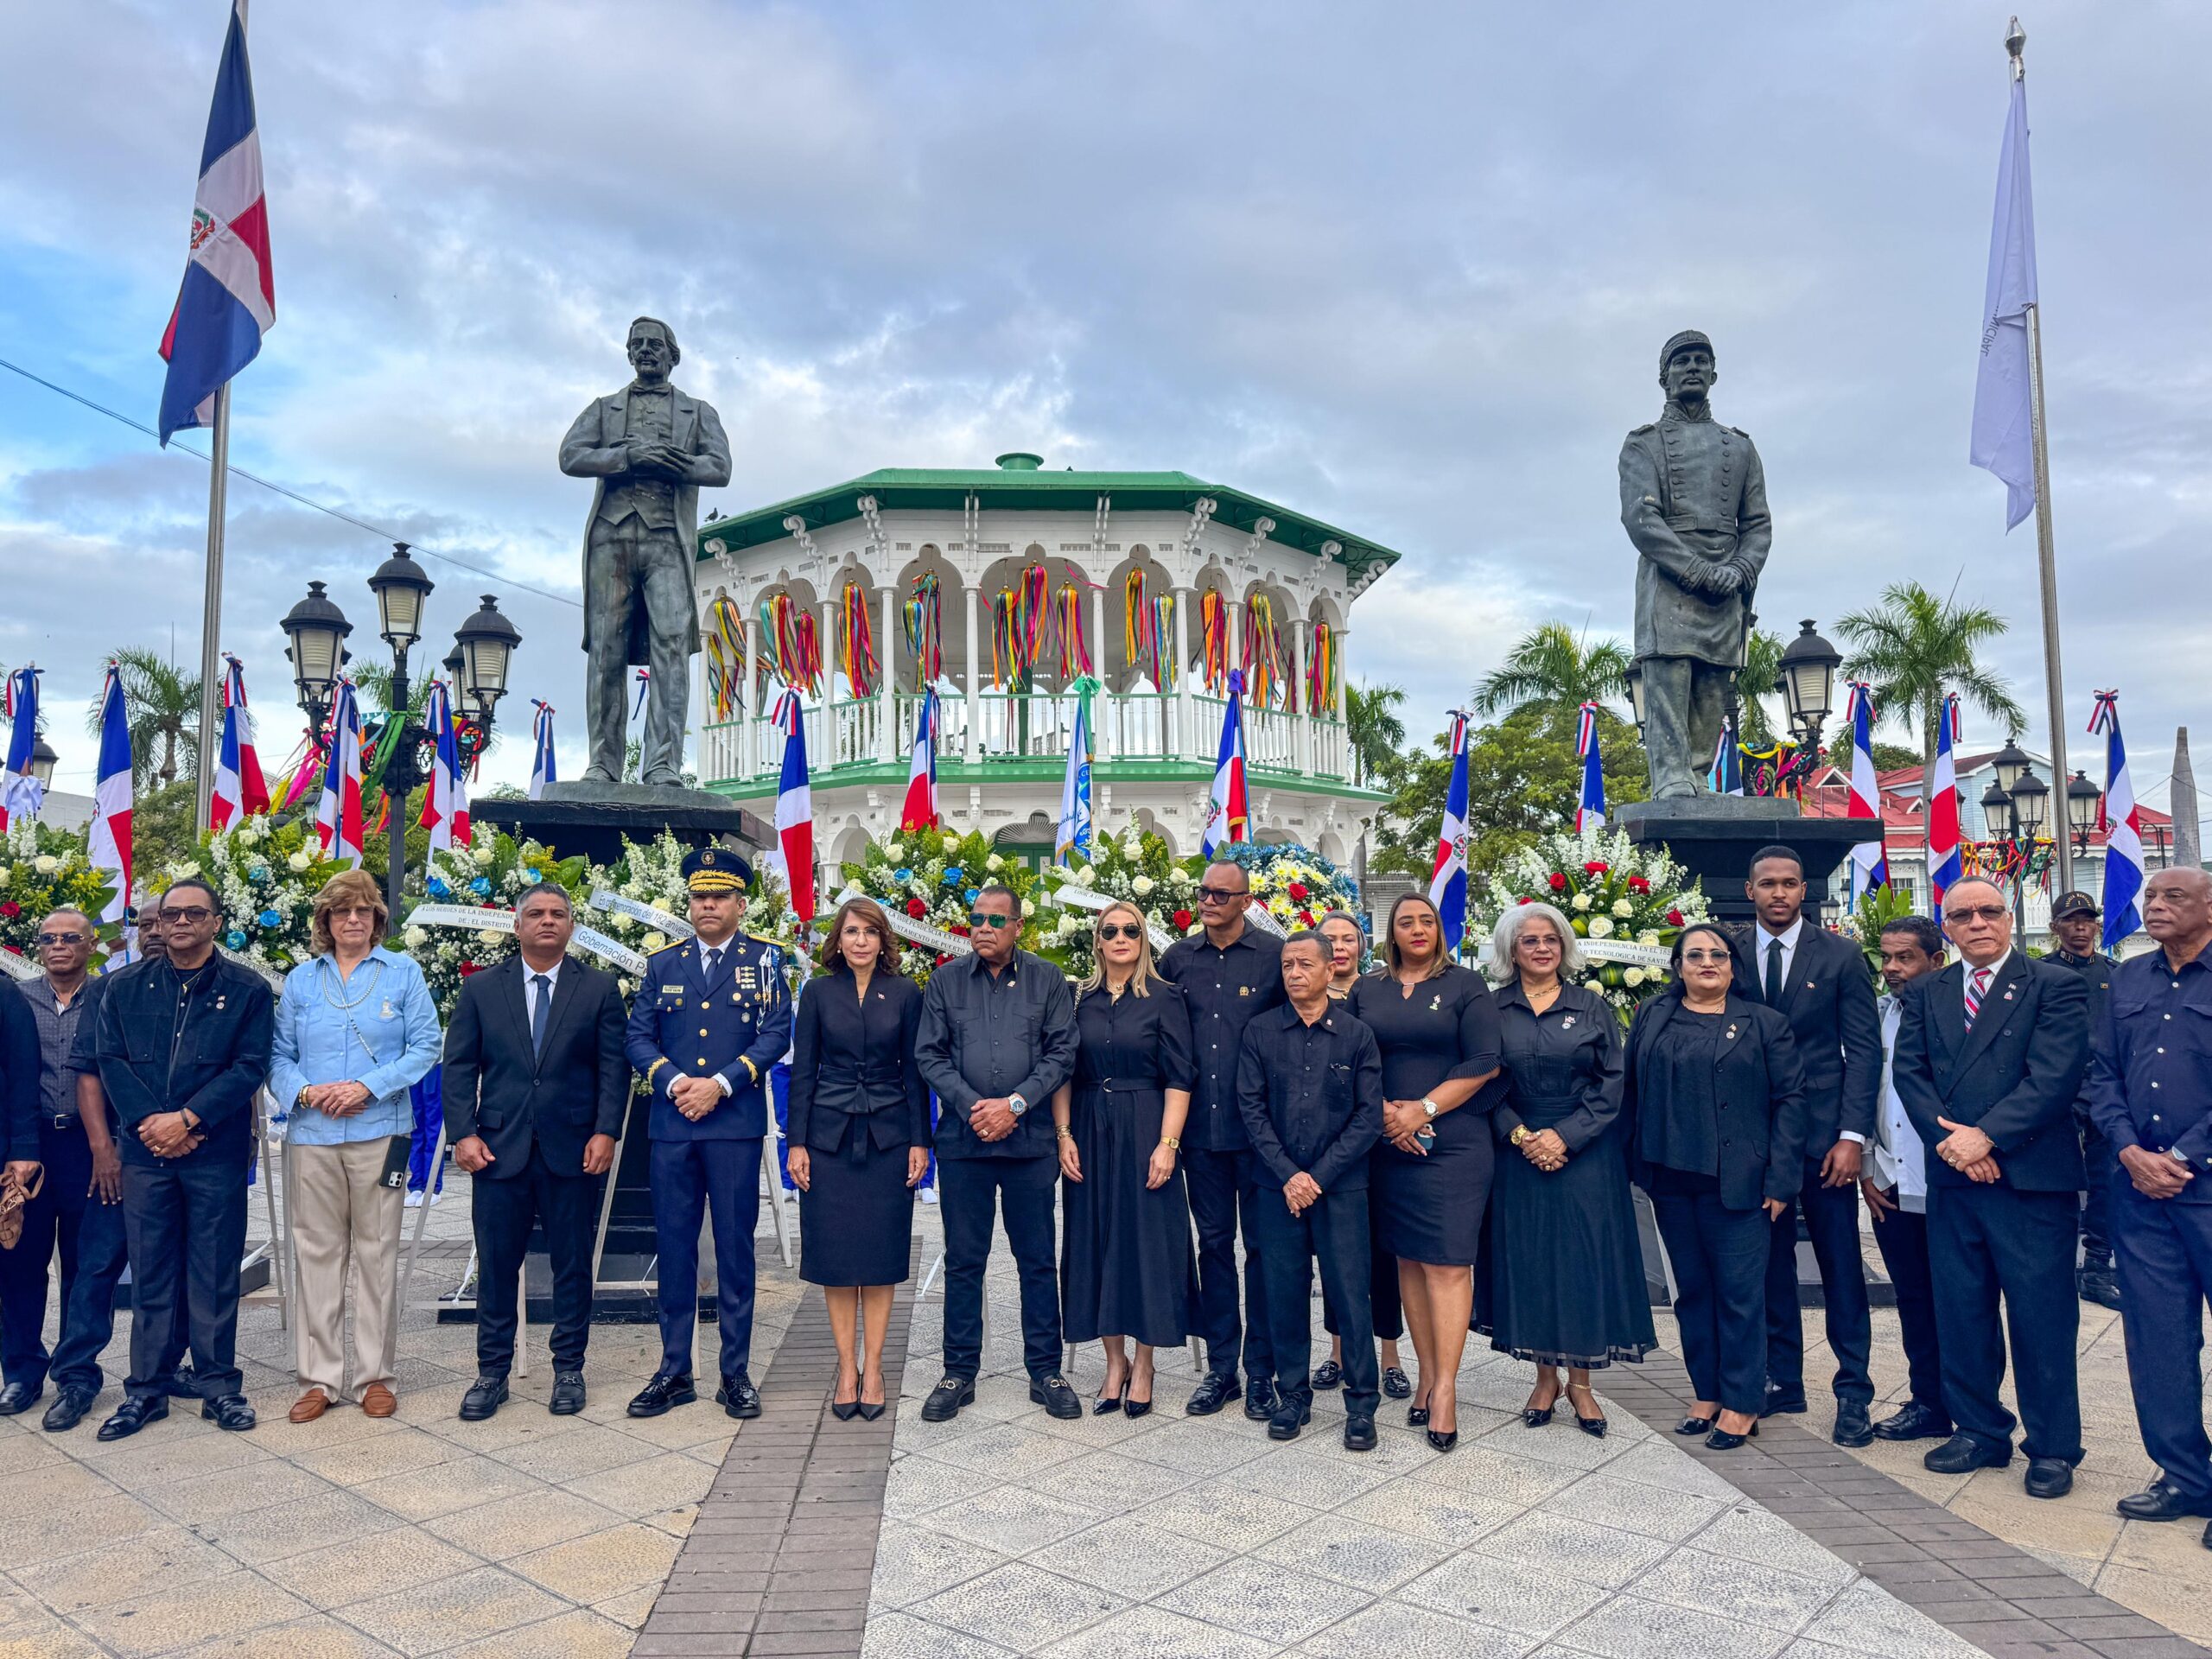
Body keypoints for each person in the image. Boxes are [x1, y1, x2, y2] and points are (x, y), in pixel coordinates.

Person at [1893, 875, 2089, 1499]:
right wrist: (1955, 1145)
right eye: (1963, 915)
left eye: (1989, 911)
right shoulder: (1928, 991)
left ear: (2009, 918)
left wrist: (1988, 1138)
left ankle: (2053, 1446)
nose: (1978, 922)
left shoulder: (2055, 985)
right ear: (1946, 928)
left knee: (2041, 1318)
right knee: (1962, 1312)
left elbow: (2055, 1077)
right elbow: (1910, 1074)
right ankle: (1980, 1429)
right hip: (1956, 1179)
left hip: (2030, 1179)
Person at [90, 879, 275, 1440]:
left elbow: (250, 1066)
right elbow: (110, 1059)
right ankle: (146, 1389)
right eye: (171, 914)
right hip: (146, 1155)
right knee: (150, 1273)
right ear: (158, 923)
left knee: (214, 1272)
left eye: (195, 913)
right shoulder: (123, 987)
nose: (181, 923)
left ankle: (219, 1386)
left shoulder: (248, 989)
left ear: (216, 922)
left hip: (213, 1153)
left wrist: (188, 1120)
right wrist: (153, 1123)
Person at [442, 883, 628, 1421]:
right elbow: (458, 1068)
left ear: (571, 925)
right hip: (498, 1151)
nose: (548, 921)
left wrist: (606, 1131)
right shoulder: (481, 989)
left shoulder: (597, 989)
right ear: (517, 924)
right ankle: (492, 1373)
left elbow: (613, 1069)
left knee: (572, 1264)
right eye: (536, 914)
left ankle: (569, 1368)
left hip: (573, 1149)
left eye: (558, 914)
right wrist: (464, 1133)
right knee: (498, 1266)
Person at [625, 846, 791, 1421]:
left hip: (733, 1128)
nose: (708, 905)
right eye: (700, 897)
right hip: (673, 1127)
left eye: (719, 897)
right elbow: (638, 1037)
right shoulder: (662, 964)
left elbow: (774, 1034)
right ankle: (674, 1371)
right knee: (672, 1248)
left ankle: (734, 1372)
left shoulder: (766, 961)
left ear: (740, 905)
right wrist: (674, 1083)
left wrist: (720, 1084)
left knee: (734, 1249)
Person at [268, 871, 442, 1423]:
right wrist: (308, 1091)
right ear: (326, 921)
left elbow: (427, 1045)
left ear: (377, 920)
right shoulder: (300, 980)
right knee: (316, 1255)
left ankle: (374, 1378)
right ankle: (319, 1378)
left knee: (376, 1254)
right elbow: (277, 1056)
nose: (352, 921)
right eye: (342, 912)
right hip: (313, 1135)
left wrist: (369, 1086)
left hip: (381, 1133)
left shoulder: (403, 973)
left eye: (363, 912)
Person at [1626, 921, 1806, 1451]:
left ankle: (1744, 1400)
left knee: (1740, 1296)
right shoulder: (1653, 1015)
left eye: (1719, 956)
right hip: (1670, 1180)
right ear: (1677, 966)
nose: (1708, 963)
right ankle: (1706, 1391)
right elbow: (1631, 1090)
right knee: (1694, 1293)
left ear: (1733, 966)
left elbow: (1792, 1102)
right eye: (1695, 955)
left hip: (1741, 1184)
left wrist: (1780, 1179)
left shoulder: (1765, 1024)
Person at [1480, 902, 1652, 1436]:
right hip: (1519, 1148)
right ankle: (1543, 1377)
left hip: (1585, 1151)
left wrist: (1566, 1137)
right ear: (1512, 950)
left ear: (1564, 947)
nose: (1541, 948)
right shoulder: (1491, 1009)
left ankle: (1581, 1384)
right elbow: (1482, 1079)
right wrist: (1521, 1135)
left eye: (1550, 939)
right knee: (1532, 1262)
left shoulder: (1591, 1006)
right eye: (1529, 940)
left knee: (1581, 1263)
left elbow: (1612, 1082)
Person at [914, 885, 1079, 1423]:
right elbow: (929, 1056)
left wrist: (1013, 1104)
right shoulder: (944, 981)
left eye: (995, 920)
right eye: (977, 918)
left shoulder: (1047, 980)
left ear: (1018, 927)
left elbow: (1062, 1052)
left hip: (1030, 1144)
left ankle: (1046, 1371)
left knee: (1036, 1261)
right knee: (965, 1261)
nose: (983, 927)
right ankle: (958, 1372)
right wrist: (973, 1108)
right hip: (965, 1145)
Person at [1345, 893, 1501, 1447]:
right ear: (1391, 932)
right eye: (1405, 921)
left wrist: (1423, 1109)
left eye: (1426, 921)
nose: (1416, 929)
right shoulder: (1369, 987)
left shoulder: (1465, 985)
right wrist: (1390, 1113)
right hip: (1388, 1142)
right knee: (1409, 1261)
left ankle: (1447, 1389)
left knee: (1448, 1265)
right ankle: (1426, 1375)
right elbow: (1351, 1056)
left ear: (1441, 929)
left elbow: (1485, 1060)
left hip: (1454, 1143)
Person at [1740, 845, 1882, 1446]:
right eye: (1768, 883)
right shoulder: (1728, 951)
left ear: (1806, 891)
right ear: (1750, 890)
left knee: (1840, 1266)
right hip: (1756, 1139)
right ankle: (1783, 1379)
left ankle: (1854, 1393)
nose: (1779, 894)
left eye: (1790, 884)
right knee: (1769, 1265)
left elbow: (1864, 1051)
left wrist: (1853, 1138)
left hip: (1826, 1140)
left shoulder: (1843, 956)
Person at [2087, 868, 2212, 1541]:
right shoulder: (2127, 979)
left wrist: (2187, 1157)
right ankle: (2185, 1477)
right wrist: (2131, 1152)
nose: (2156, 906)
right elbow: (2100, 1072)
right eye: (2152, 897)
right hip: (2140, 1193)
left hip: (2206, 1187)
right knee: (2159, 1343)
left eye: (2174, 897)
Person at [1236, 931, 1384, 1450]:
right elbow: (1251, 1111)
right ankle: (1292, 1394)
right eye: (1287, 965)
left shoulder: (1356, 1035)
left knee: (1349, 1293)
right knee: (1284, 1291)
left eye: (1305, 964)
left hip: (1341, 1188)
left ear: (1329, 971)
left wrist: (1317, 1177)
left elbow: (1369, 1118)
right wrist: (1289, 1176)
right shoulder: (1259, 1032)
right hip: (1277, 1187)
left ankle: (1362, 1402)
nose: (1295, 973)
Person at [785, 897, 928, 1421]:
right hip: (828, 1137)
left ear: (882, 939)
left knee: (881, 1256)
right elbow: (804, 1070)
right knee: (838, 1259)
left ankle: (876, 1364)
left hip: (890, 1136)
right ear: (838, 941)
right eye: (851, 932)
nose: (860, 940)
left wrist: (921, 1141)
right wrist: (794, 1142)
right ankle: (846, 1367)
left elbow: (915, 1071)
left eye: (870, 931)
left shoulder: (908, 992)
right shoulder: (819, 992)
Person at [1054, 902, 1198, 1416]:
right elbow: (1063, 1072)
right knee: (1093, 1236)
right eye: (1110, 931)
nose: (1120, 938)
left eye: (1131, 930)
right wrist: (1064, 1134)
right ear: (1097, 941)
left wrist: (1168, 1144)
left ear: (1143, 940)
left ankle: (1145, 1361)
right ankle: (1112, 1363)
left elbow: (1181, 1077)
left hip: (1146, 1124)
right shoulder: (1080, 999)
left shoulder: (1165, 998)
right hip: (1090, 1125)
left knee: (1146, 1240)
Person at [1158, 860, 1285, 1421]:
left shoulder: (1273, 958)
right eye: (1202, 892)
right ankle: (1221, 1370)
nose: (1207, 901)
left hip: (1258, 1135)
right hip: (1202, 1138)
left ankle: (1261, 1373)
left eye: (1219, 894)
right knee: (1214, 1250)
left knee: (1260, 1253)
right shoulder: (1177, 960)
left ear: (1244, 899)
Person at [61, 908, 195, 1417]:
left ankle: (165, 1366)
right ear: (136, 935)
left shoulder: (202, 987)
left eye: (168, 922)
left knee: (179, 1268)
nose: (159, 931)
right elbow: (89, 1075)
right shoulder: (111, 989)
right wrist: (104, 1151)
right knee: (97, 1266)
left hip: (187, 1155)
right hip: (119, 1159)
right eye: (148, 925)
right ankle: (76, 1376)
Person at [0, 911, 127, 1433]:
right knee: (18, 1263)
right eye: (48, 939)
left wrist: (114, 1146)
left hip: (89, 1146)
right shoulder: (16, 997)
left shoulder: (109, 995)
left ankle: (77, 1376)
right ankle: (23, 1369)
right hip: (25, 1149)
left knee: (86, 1263)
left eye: (70, 938)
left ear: (91, 944)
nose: (58, 947)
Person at [1859, 915, 1952, 1445]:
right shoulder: (1877, 1016)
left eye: (1906, 958)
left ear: (1936, 961)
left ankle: (1972, 1406)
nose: (1893, 969)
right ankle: (1928, 1401)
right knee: (1914, 1298)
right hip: (1890, 1184)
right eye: (1887, 958)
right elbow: (1866, 1094)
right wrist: (1869, 1166)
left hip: (1948, 1182)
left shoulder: (1959, 1014)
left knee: (1961, 1300)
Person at [1315, 908, 1409, 1397]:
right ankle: (1337, 1350)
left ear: (1361, 946)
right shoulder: (1302, 995)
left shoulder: (1378, 992)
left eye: (1347, 939)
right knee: (1338, 1253)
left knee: (1381, 1251)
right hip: (1331, 1143)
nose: (1338, 947)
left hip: (1383, 1137)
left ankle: (1390, 1354)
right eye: (1328, 939)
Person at [2050, 890, 2122, 1311]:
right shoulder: (2041, 973)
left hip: (2103, 1093)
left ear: (2096, 925)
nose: (2080, 927)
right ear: (2056, 926)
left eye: (2086, 920)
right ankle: (2058, 1266)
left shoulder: (2115, 974)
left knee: (2105, 1183)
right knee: (2057, 1180)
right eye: (2071, 920)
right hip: (2059, 1093)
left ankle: (2097, 1267)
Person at [0, 973, 42, 1407]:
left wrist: (24, 1147)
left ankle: (22, 1370)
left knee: (16, 1268)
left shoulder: (4, 992)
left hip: (4, 1150)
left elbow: (24, 1071)